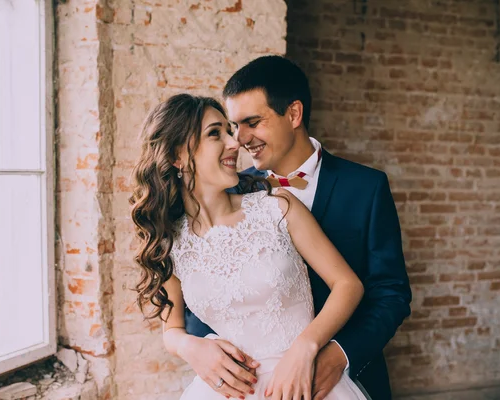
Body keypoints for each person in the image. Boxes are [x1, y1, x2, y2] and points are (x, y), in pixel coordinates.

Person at [181, 56, 412, 400]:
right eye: (233, 126)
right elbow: (200, 286)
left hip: (344, 377)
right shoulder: (228, 191)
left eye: (252, 122)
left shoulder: (366, 188)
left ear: (293, 114)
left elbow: (391, 294)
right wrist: (204, 349)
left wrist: (337, 356)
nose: (240, 139)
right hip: (252, 385)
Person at [130, 94, 368, 399]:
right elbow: (172, 331)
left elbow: (348, 284)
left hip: (303, 382)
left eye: (228, 131)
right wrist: (192, 347)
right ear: (177, 156)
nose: (234, 143)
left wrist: (305, 349)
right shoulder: (168, 242)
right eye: (215, 133)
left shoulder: (278, 208)